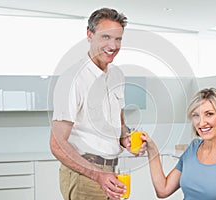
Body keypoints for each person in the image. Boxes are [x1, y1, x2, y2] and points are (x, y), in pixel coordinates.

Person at [50, 8, 146, 200]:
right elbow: (57, 144)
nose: (113, 45)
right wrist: (97, 174)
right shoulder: (73, 79)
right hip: (85, 176)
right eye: (105, 37)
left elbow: (118, 124)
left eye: (118, 39)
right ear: (89, 35)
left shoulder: (117, 75)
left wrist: (125, 139)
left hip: (112, 173)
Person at [143, 88, 216, 200]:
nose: (201, 123)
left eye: (209, 114)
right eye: (196, 115)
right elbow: (163, 190)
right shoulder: (193, 148)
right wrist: (152, 149)